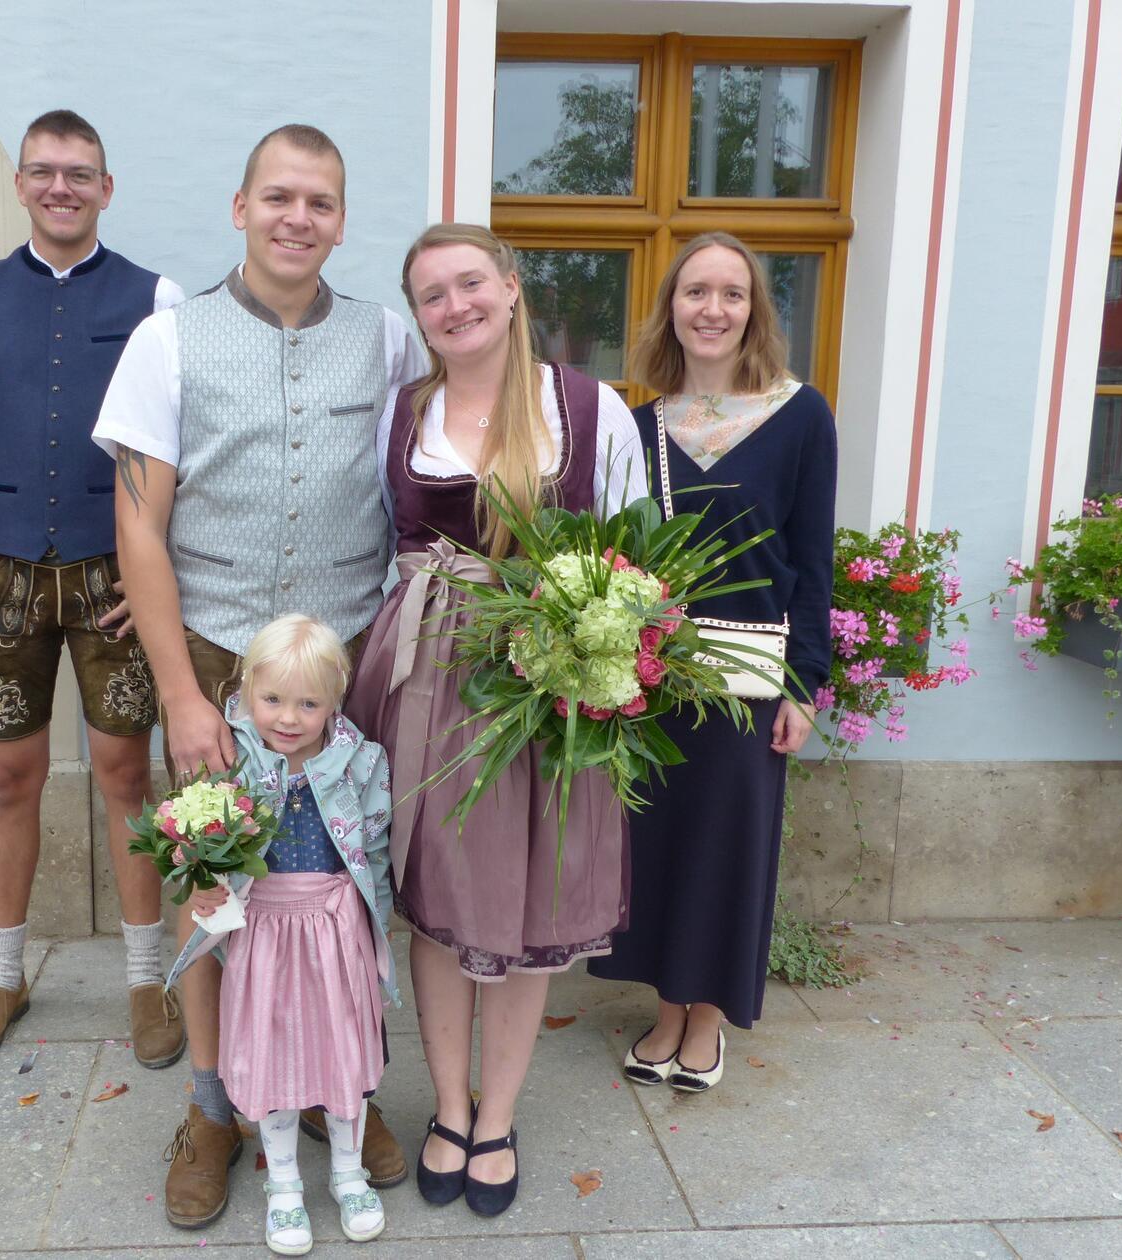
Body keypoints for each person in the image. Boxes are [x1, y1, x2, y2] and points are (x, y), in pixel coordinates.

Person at [95, 123, 426, 1228]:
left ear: (341, 220)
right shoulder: (169, 341)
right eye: (278, 197)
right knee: (215, 894)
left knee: (342, 887)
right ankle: (212, 1108)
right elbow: (139, 527)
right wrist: (186, 696)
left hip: (344, 660)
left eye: (320, 202)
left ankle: (342, 1093)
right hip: (216, 653)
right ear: (240, 207)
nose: (298, 218)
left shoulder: (387, 344)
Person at [343, 222, 641, 1217]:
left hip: (550, 680)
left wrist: (613, 664)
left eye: (471, 283)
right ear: (419, 318)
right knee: (436, 900)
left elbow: (639, 562)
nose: (454, 305)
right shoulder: (403, 413)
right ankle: (449, 1106)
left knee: (526, 903)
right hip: (426, 672)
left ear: (513, 289)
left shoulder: (591, 412)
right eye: (432, 295)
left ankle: (498, 1115)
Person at [0, 109, 186, 1072]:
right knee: (12, 777)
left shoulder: (160, 297)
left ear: (108, 187)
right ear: (21, 185)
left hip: (116, 577)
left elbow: (187, 444)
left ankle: (148, 979)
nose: (62, 187)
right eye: (44, 173)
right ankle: (1, 973)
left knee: (127, 775)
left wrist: (161, 566)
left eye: (81, 174)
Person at [587, 231, 836, 1093]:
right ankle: (665, 1008)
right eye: (697, 291)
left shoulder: (802, 415)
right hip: (658, 672)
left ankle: (709, 1018)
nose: (714, 309)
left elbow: (814, 555)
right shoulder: (640, 424)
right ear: (672, 308)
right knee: (655, 843)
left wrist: (806, 683)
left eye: (732, 293)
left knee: (728, 845)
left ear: (754, 310)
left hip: (749, 672)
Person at [164, 614, 397, 1254]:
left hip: (332, 925)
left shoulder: (360, 761)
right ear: (245, 690)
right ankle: (286, 1185)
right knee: (273, 1050)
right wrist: (204, 879)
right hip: (265, 928)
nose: (287, 718)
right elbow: (195, 842)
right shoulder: (231, 761)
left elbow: (375, 852)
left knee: (343, 1048)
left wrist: (374, 929)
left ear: (334, 701)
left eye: (308, 703)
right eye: (272, 699)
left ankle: (349, 1175)